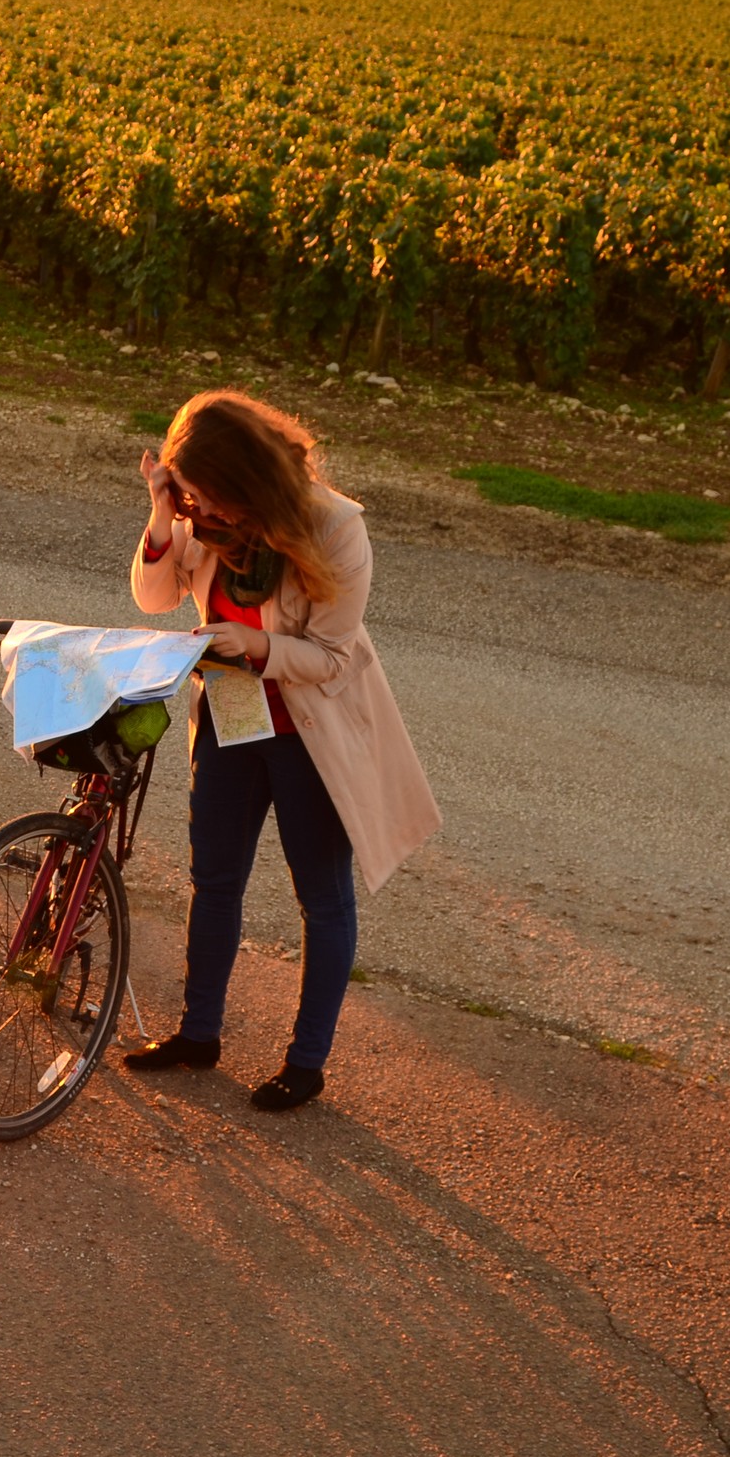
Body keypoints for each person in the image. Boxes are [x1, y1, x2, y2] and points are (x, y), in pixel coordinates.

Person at [121, 390, 439, 1111]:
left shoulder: (334, 527)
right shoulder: (198, 514)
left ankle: (306, 1063)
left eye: (214, 497)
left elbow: (330, 656)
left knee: (322, 899)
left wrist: (256, 646)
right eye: (193, 496)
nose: (208, 512)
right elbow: (151, 597)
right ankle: (197, 1036)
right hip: (232, 721)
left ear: (249, 482)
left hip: (312, 735)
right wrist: (164, 515)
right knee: (214, 882)